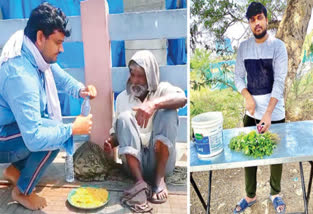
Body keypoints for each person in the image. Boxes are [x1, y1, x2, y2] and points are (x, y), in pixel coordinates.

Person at [0, 3, 97, 210]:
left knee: (55, 130)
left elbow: (58, 74)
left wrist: (81, 90)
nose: (61, 49)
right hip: (2, 135)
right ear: (41, 37)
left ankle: (15, 171)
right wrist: (72, 128)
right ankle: (22, 191)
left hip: (10, 126)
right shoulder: (21, 75)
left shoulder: (31, 49)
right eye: (58, 43)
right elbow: (34, 138)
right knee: (54, 136)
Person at [104, 50, 187, 205]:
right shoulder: (122, 98)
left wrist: (153, 104)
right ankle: (140, 184)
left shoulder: (162, 89)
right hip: (135, 165)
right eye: (132, 74)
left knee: (168, 112)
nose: (135, 80)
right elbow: (120, 133)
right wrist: (111, 141)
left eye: (140, 76)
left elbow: (182, 98)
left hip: (161, 162)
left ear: (150, 75)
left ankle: (159, 180)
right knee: (124, 117)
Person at [234, 2, 288, 214]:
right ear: (249, 23)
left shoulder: (278, 46)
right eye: (252, 19)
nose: (256, 23)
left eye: (259, 18)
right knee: (250, 156)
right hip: (251, 114)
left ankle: (275, 193)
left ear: (266, 19)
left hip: (275, 113)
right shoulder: (243, 48)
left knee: (277, 156)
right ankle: (250, 195)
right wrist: (247, 96)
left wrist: (268, 113)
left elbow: (280, 81)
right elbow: (238, 77)